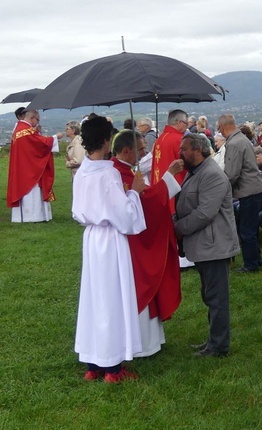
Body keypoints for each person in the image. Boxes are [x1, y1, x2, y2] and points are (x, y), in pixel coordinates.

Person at [72, 116, 147, 383]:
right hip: (110, 239)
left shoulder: (83, 170)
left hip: (92, 238)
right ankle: (113, 369)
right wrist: (134, 192)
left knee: (94, 298)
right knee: (112, 299)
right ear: (106, 141)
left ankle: (93, 364)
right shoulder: (109, 172)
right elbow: (125, 216)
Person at [110, 131, 183, 358]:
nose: (144, 153)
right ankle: (142, 342)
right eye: (140, 149)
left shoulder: (124, 170)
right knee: (139, 284)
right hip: (132, 243)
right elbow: (143, 201)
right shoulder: (117, 173)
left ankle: (150, 339)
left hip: (132, 240)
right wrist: (168, 177)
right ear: (125, 151)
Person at [174, 133, 240, 358]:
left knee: (216, 298)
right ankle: (214, 339)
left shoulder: (211, 174)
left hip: (214, 246)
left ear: (198, 150)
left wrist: (177, 228)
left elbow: (205, 213)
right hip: (206, 246)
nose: (180, 153)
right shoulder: (197, 172)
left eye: (184, 149)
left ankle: (219, 346)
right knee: (210, 295)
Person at [219, 114, 262, 273]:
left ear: (221, 127)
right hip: (253, 188)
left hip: (248, 191)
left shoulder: (233, 143)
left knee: (246, 230)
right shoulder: (242, 139)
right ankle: (257, 258)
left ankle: (251, 264)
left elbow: (232, 174)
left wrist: (222, 191)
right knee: (250, 226)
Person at [6, 109, 62, 222]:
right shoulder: (26, 131)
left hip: (23, 165)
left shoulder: (19, 129)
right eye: (38, 119)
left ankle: (26, 216)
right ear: (32, 118)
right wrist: (55, 137)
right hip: (30, 168)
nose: (38, 122)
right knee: (32, 192)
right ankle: (33, 216)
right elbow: (40, 144)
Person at [150, 110, 188, 199]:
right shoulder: (179, 140)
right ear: (179, 122)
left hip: (160, 185)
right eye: (185, 123)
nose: (186, 127)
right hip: (174, 188)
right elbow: (188, 164)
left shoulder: (160, 138)